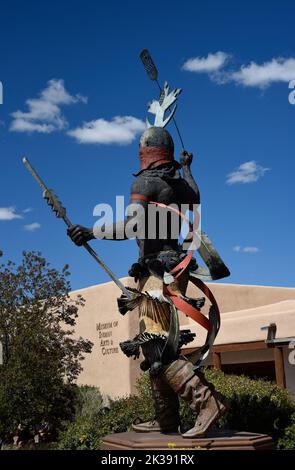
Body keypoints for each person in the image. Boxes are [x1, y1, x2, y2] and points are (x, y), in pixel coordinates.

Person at [68, 126, 229, 437]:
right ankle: (167, 420)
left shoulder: (144, 182)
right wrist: (189, 168)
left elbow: (132, 225)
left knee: (157, 346)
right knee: (154, 347)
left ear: (144, 155)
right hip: (174, 269)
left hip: (158, 275)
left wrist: (91, 232)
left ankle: (207, 403)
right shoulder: (182, 185)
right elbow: (196, 194)